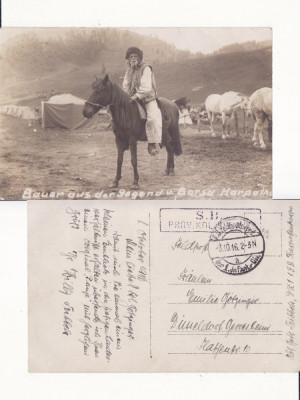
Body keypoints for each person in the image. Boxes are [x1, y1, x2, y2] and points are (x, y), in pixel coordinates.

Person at [123, 46, 162, 156]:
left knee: (152, 118)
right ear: (128, 59)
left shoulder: (146, 68)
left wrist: (136, 96)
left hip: (147, 98)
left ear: (140, 58)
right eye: (131, 57)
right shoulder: (129, 70)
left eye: (136, 56)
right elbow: (125, 85)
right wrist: (126, 97)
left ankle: (152, 143)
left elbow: (146, 87)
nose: (133, 58)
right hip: (132, 98)